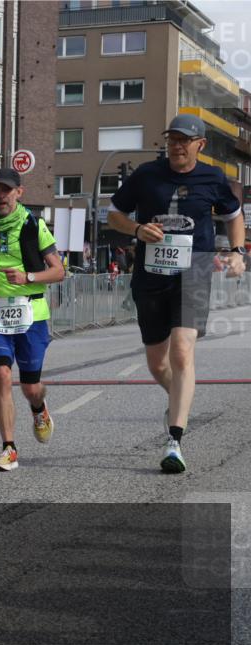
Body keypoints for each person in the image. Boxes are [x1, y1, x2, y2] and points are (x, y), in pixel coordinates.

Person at [107, 113, 245, 473]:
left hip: (194, 270)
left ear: (200, 144)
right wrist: (137, 229)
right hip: (150, 275)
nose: (177, 146)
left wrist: (238, 252)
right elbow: (114, 215)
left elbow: (234, 216)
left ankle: (174, 440)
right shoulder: (146, 175)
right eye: (172, 139)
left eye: (185, 140)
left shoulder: (213, 178)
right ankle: (179, 398)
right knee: (158, 363)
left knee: (182, 352)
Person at [0, 168, 64, 472]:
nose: (0, 195)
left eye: (6, 189)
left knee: (30, 387)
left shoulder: (34, 225)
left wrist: (29, 276)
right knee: (1, 374)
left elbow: (58, 271)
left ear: (19, 193)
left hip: (31, 313)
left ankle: (38, 408)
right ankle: (9, 448)